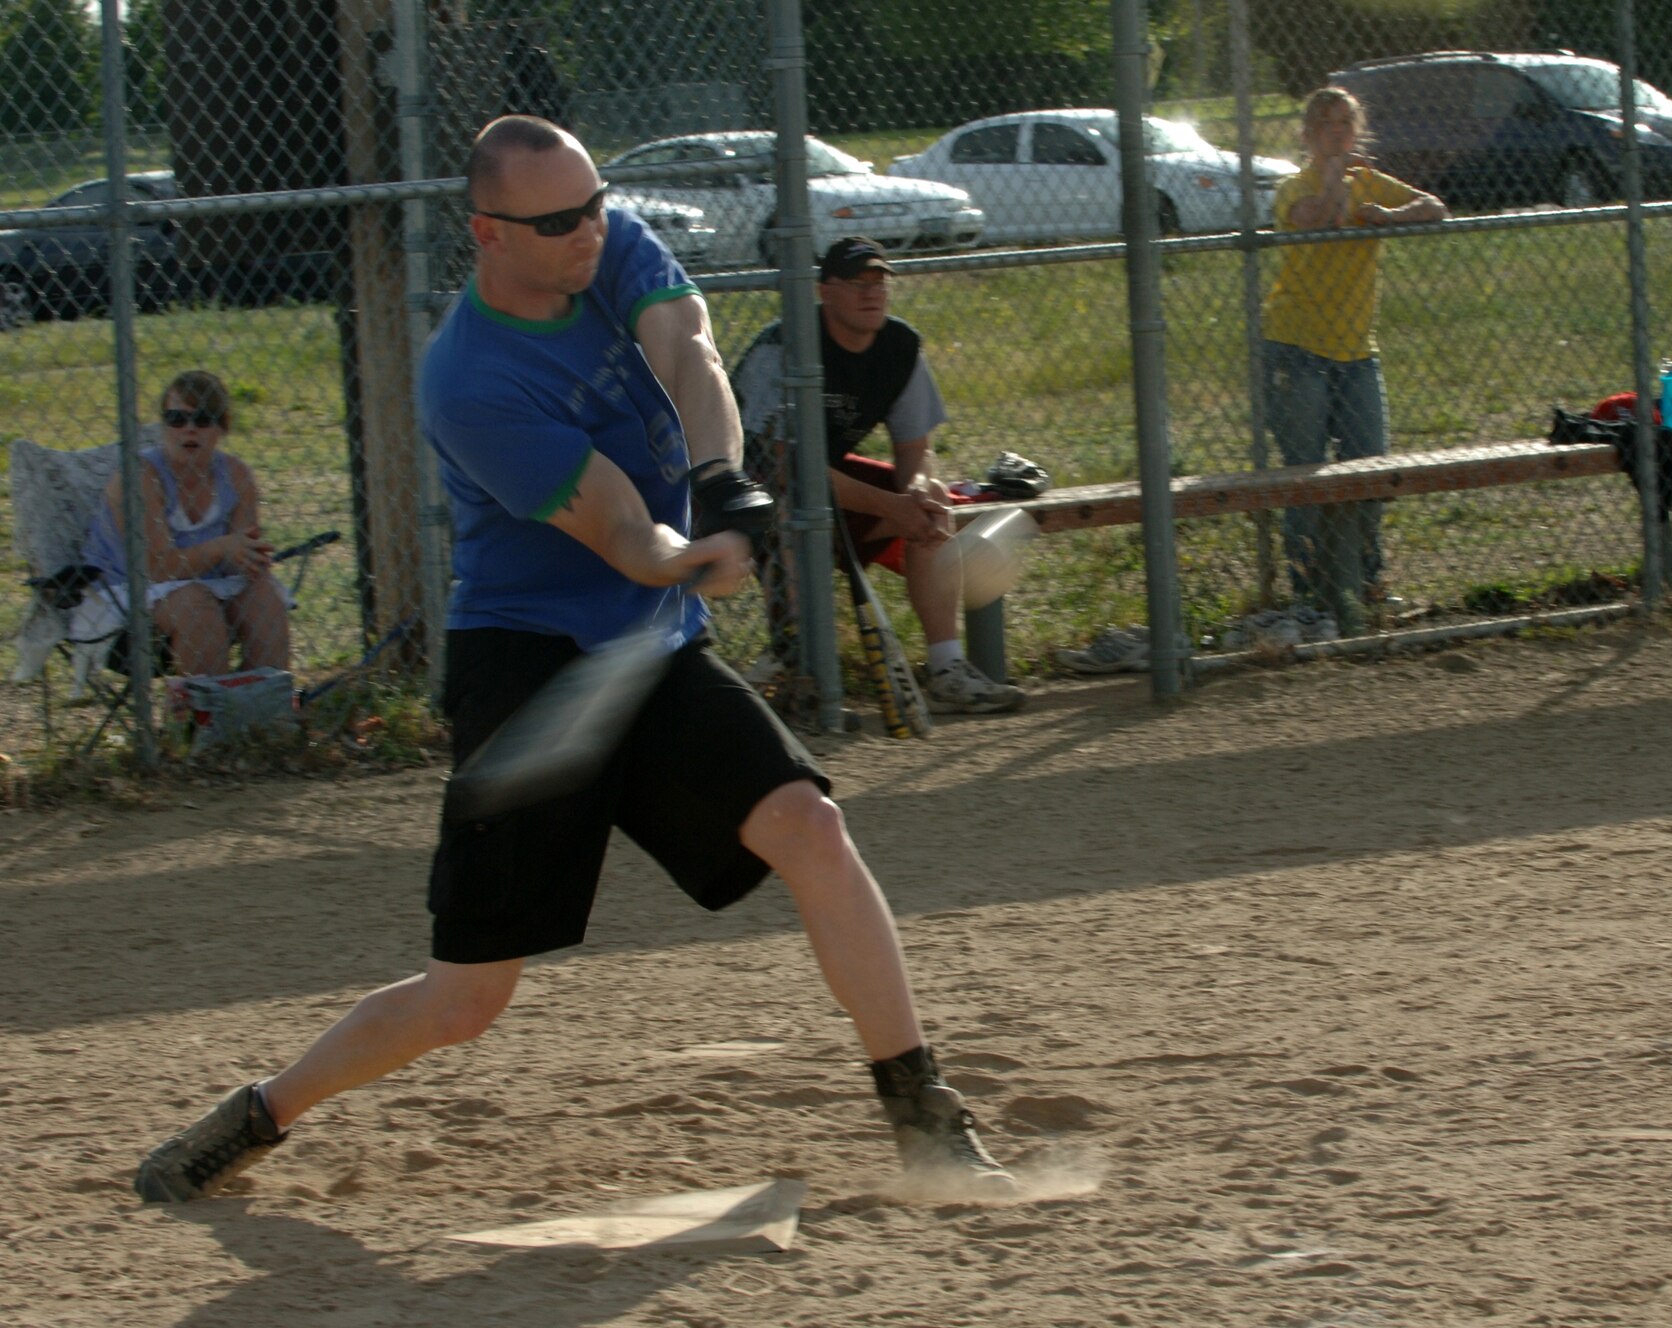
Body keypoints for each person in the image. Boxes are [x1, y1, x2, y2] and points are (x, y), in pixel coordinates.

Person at [133, 116, 1012, 1202]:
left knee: (809, 825)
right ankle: (261, 1111)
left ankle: (922, 1110)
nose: (587, 230)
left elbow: (687, 352)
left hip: (646, 647)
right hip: (527, 669)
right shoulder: (467, 379)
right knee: (465, 1000)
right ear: (487, 234)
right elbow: (615, 527)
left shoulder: (607, 241)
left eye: (593, 204)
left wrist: (723, 484)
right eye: (555, 220)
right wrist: (685, 551)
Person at [732, 236, 1026, 716]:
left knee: (932, 507)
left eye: (880, 281)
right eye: (857, 282)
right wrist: (891, 506)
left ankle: (946, 669)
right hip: (745, 486)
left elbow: (915, 449)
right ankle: (797, 665)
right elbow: (787, 468)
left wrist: (917, 491)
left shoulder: (899, 346)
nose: (872, 292)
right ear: (826, 290)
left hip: (827, 479)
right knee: (787, 515)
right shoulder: (783, 345)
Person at [1262, 86, 1445, 635]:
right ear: (1306, 135)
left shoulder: (1370, 183)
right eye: (1324, 125)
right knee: (1307, 477)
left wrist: (1390, 214)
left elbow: (1434, 208)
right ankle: (1310, 595)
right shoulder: (1293, 187)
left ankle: (1365, 583)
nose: (1336, 133)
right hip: (1297, 350)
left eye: (1345, 124)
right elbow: (1321, 217)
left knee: (1370, 466)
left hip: (1357, 351)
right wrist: (1339, 175)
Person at [73, 370, 290, 676]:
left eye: (202, 419)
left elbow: (241, 563)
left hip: (208, 583)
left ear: (221, 427)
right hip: (126, 594)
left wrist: (248, 556)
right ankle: (206, 719)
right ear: (164, 425)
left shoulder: (236, 475)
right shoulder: (140, 477)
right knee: (196, 605)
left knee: (264, 596)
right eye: (176, 418)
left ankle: (264, 710)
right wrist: (223, 548)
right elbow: (157, 569)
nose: (188, 429)